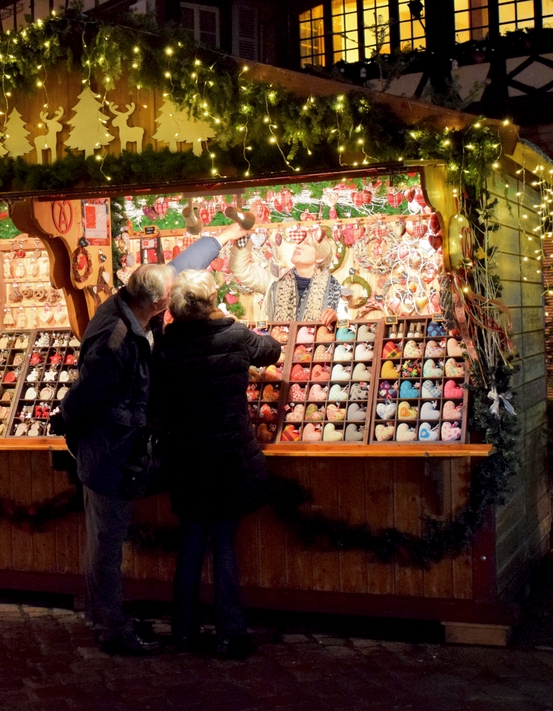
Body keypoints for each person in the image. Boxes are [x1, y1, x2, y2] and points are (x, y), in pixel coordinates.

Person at [59, 225, 247, 654]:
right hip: (109, 451)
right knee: (107, 543)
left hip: (122, 447)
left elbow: (183, 265)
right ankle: (111, 629)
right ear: (161, 302)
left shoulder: (135, 304)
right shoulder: (116, 339)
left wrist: (227, 234)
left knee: (107, 538)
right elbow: (86, 395)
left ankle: (109, 615)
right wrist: (69, 426)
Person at [151, 270, 283, 659]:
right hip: (228, 456)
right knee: (224, 541)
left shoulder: (166, 345)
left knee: (191, 541)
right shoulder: (234, 334)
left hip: (187, 457)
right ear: (211, 302)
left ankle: (184, 630)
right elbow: (271, 350)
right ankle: (231, 633)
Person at [228, 233, 344, 325]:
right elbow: (240, 269)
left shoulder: (333, 289)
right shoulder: (275, 280)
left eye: (307, 244)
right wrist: (246, 233)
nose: (298, 245)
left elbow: (344, 332)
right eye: (299, 242)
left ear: (320, 258)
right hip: (278, 352)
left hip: (314, 353)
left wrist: (334, 321)